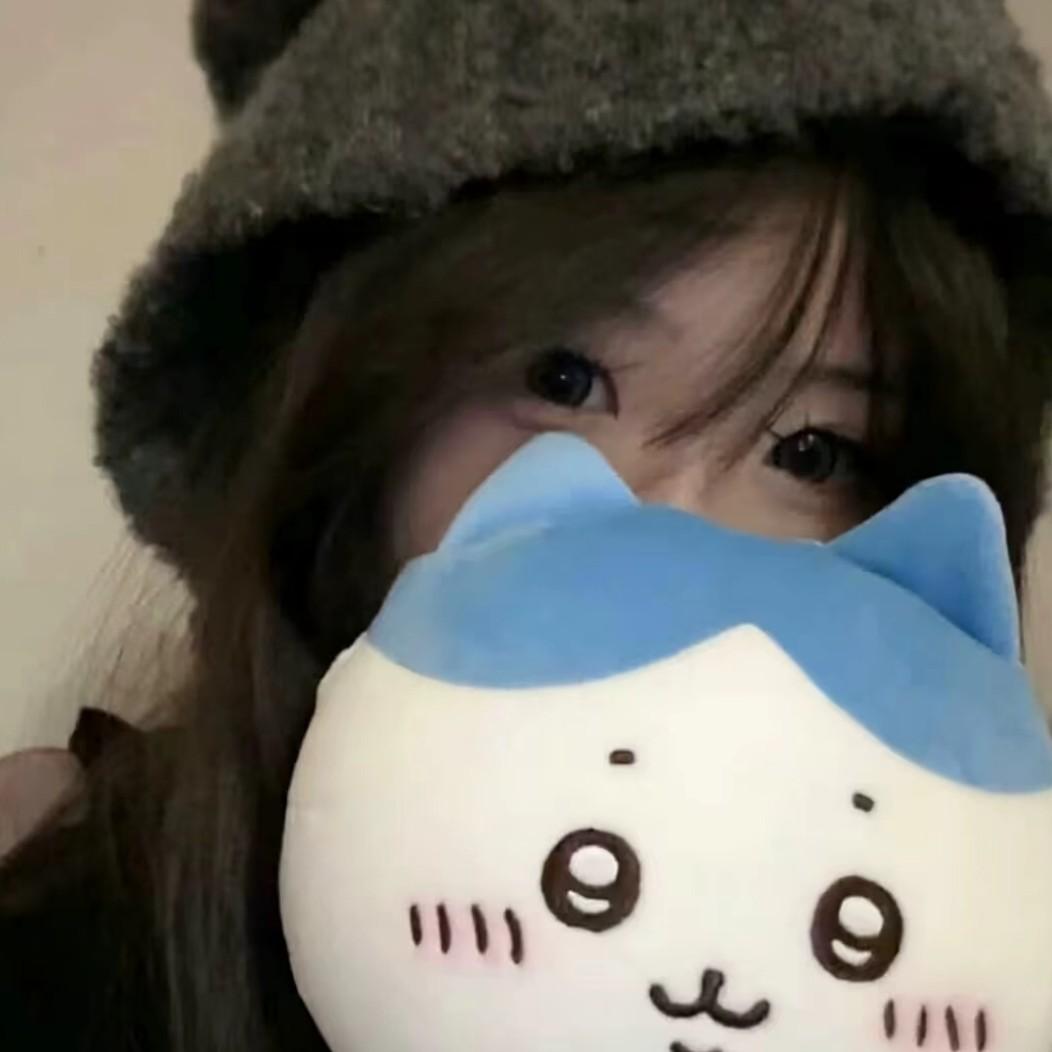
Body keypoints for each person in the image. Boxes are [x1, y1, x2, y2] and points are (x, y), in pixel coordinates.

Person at [3, 1, 1052, 1050]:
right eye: (564, 382)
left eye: (808, 452)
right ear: (352, 413)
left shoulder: (946, 982)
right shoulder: (80, 962)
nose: (662, 532)